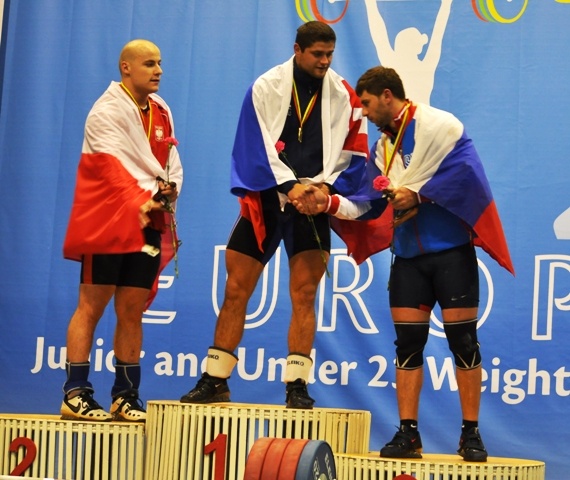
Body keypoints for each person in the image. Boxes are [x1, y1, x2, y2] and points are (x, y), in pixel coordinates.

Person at [296, 66, 514, 459]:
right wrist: (327, 203)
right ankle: (408, 433)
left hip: (452, 253)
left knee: (464, 342)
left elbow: (465, 178)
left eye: (366, 103)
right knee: (408, 346)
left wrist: (419, 195)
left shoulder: (439, 126)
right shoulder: (382, 149)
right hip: (409, 258)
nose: (363, 112)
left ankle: (471, 433)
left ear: (386, 95)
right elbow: (366, 204)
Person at [179, 21, 368, 409]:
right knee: (236, 288)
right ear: (298, 50)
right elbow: (253, 144)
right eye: (318, 54)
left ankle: (297, 385)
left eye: (330, 55)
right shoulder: (266, 86)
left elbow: (356, 153)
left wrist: (324, 189)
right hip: (267, 201)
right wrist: (289, 186)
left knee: (305, 293)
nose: (325, 61)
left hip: (312, 205)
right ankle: (215, 379)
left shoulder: (345, 94)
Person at [61, 39, 183, 422]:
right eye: (149, 63)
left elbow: (170, 163)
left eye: (159, 63)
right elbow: (109, 169)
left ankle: (125, 396)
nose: (158, 70)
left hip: (147, 221)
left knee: (132, 310)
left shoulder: (161, 110)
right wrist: (143, 198)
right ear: (126, 67)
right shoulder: (105, 111)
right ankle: (75, 393)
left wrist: (169, 191)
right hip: (109, 220)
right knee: (92, 306)